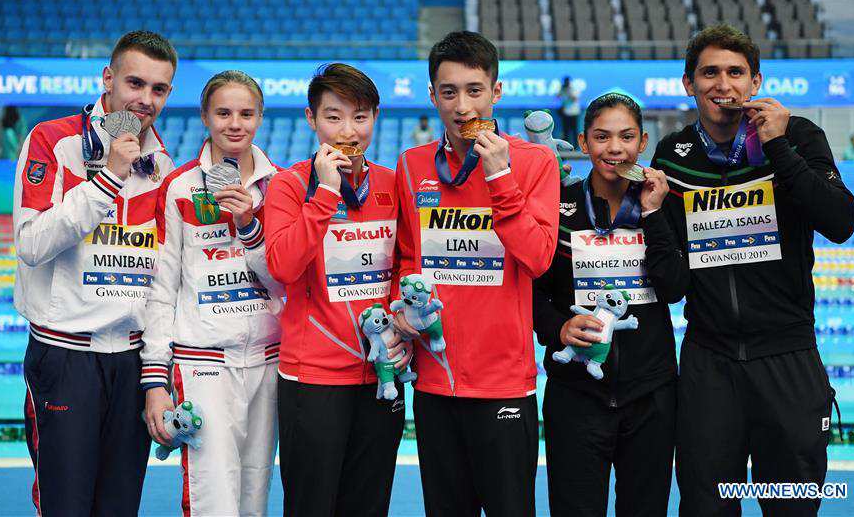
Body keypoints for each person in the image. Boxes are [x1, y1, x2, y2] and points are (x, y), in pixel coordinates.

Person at [651, 24, 854, 516]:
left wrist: (779, 147)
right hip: (709, 362)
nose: (723, 84)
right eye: (710, 73)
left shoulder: (799, 135)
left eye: (735, 72)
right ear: (689, 84)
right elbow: (672, 281)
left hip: (787, 356)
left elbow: (841, 221)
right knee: (707, 506)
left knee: (791, 505)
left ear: (755, 82)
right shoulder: (674, 156)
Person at [393, 31, 560, 516]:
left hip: (504, 385)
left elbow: (538, 259)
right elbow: (409, 260)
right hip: (434, 382)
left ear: (496, 92)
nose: (462, 106)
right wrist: (401, 308)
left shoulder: (534, 163)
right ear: (432, 96)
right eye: (449, 92)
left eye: (474, 90)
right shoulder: (411, 165)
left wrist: (499, 178)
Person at [13, 30, 177, 516]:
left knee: (120, 508)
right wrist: (108, 179)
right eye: (135, 83)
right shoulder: (52, 141)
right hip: (65, 359)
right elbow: (31, 244)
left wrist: (156, 376)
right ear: (108, 79)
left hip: (130, 363)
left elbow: (160, 284)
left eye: (159, 89)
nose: (145, 100)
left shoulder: (162, 164)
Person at [263, 63, 410, 517]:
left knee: (368, 507)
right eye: (334, 116)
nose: (348, 131)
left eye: (360, 117)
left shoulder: (392, 183)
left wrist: (402, 328)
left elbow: (407, 264)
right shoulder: (289, 185)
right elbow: (284, 266)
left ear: (376, 117)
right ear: (311, 119)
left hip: (381, 375)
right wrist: (324, 194)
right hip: (314, 378)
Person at [141, 70, 283, 516]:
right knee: (212, 495)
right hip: (204, 361)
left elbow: (284, 278)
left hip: (268, 359)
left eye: (246, 113)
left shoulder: (280, 186)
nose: (234, 123)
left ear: (260, 118)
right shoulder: (180, 188)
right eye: (223, 112)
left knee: (255, 490)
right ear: (205, 116)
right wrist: (155, 378)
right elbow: (161, 289)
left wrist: (250, 228)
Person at [534, 93, 682, 517]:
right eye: (601, 137)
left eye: (626, 137)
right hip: (576, 395)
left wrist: (652, 216)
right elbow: (530, 288)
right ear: (583, 142)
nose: (614, 148)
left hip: (650, 394)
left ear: (643, 142)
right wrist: (558, 327)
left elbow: (674, 286)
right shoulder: (560, 207)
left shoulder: (662, 204)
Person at [558, 76, 580, 144]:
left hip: (573, 112)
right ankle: (566, 145)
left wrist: (568, 91)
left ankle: (576, 146)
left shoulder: (573, 89)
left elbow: (575, 98)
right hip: (565, 112)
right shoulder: (562, 89)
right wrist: (562, 90)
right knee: (565, 130)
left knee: (574, 130)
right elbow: (558, 96)